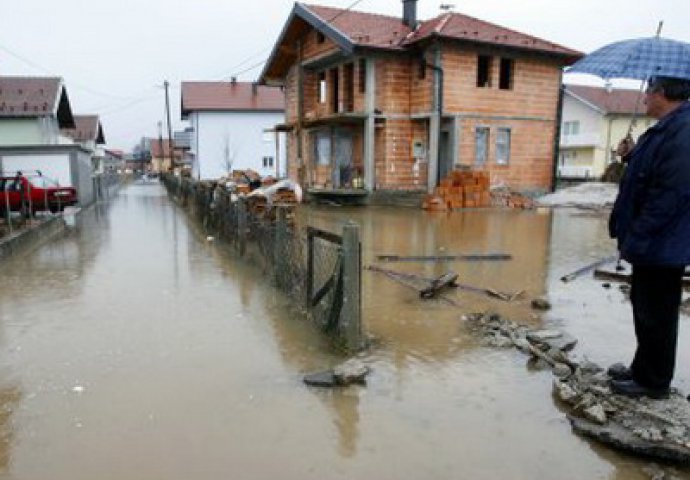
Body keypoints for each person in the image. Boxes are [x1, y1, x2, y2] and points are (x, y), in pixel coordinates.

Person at [608, 75, 690, 399]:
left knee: (656, 313)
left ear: (664, 94)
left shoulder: (683, 131)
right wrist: (630, 155)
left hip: (662, 242)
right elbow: (650, 172)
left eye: (649, 94)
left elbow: (672, 193)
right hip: (653, 242)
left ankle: (653, 383)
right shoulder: (667, 128)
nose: (645, 100)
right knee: (645, 309)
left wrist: (639, 233)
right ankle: (642, 370)